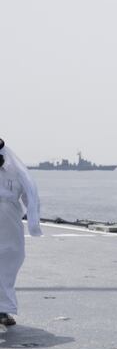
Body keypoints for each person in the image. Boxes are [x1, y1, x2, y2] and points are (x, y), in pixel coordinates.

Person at [0, 138, 43, 326]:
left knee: (10, 261)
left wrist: (33, 222)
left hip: (8, 220)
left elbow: (30, 192)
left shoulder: (14, 168)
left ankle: (3, 309)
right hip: (9, 219)